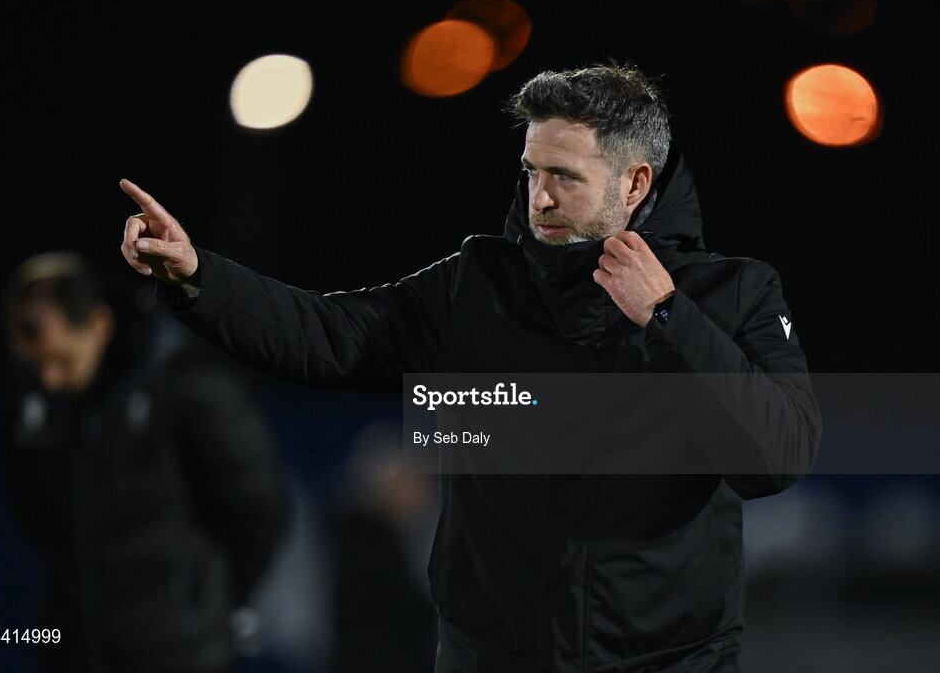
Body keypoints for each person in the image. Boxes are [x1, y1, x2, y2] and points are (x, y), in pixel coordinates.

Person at [119, 63, 822, 672]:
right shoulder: (476, 284)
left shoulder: (732, 292)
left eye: (564, 178)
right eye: (531, 172)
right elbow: (326, 333)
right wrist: (197, 278)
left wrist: (669, 317)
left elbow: (778, 454)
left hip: (670, 664)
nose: (538, 198)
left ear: (636, 183)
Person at [2, 251, 290, 673]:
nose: (50, 379)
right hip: (74, 653)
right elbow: (34, 516)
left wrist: (205, 606)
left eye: (63, 361)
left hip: (182, 655)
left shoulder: (186, 381)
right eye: (38, 363)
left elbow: (259, 509)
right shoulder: (32, 402)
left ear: (100, 324)